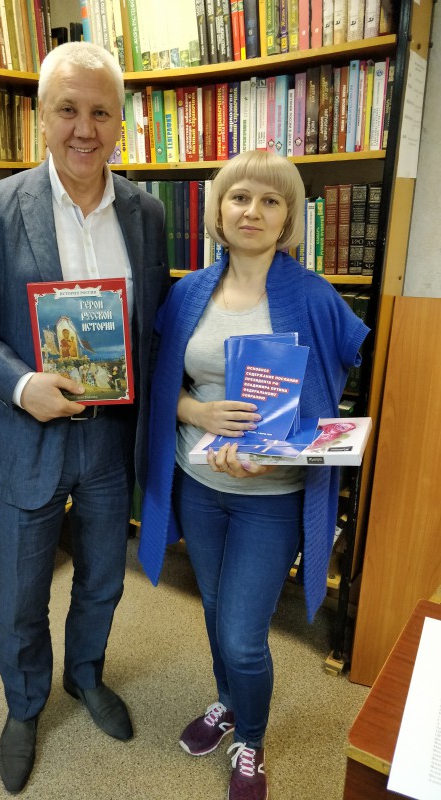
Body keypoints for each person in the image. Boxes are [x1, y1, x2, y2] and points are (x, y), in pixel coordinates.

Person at [0, 41, 169, 795]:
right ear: (41, 116)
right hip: (27, 435)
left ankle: (86, 675)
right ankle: (24, 704)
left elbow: (156, 322)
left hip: (109, 440)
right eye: (68, 109)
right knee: (21, 596)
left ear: (120, 123)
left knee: (102, 580)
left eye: (101, 112)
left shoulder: (146, 212)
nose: (84, 129)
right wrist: (20, 382)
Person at [137, 150, 369, 800]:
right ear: (218, 209)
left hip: (272, 498)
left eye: (271, 201)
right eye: (240, 197)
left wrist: (286, 447)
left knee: (243, 637)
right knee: (216, 613)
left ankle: (251, 739)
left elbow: (347, 386)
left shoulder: (314, 297)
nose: (252, 212)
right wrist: (196, 410)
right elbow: (163, 381)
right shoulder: (188, 292)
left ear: (288, 217)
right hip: (200, 487)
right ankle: (227, 702)